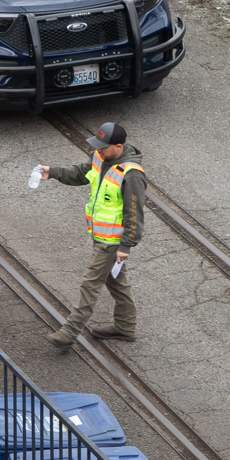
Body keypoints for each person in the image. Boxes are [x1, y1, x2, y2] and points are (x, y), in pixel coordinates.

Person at [35, 121, 145, 346]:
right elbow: (82, 173)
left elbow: (134, 213)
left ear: (118, 146)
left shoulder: (132, 174)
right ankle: (125, 327)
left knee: (90, 284)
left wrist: (126, 246)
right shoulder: (101, 157)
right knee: (116, 281)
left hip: (112, 241)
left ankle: (69, 332)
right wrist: (53, 172)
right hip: (100, 236)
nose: (99, 150)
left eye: (103, 147)